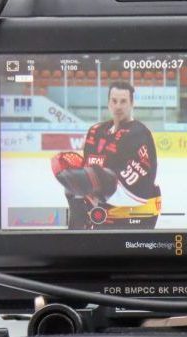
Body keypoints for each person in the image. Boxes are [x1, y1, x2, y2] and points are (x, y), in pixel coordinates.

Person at [51, 81, 161, 229]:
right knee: (69, 176)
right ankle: (77, 229)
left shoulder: (139, 132)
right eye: (114, 101)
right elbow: (89, 165)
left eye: (123, 101)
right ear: (108, 103)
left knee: (91, 176)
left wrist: (91, 182)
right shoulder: (96, 130)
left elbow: (136, 180)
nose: (118, 106)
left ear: (132, 103)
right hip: (102, 210)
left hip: (133, 207)